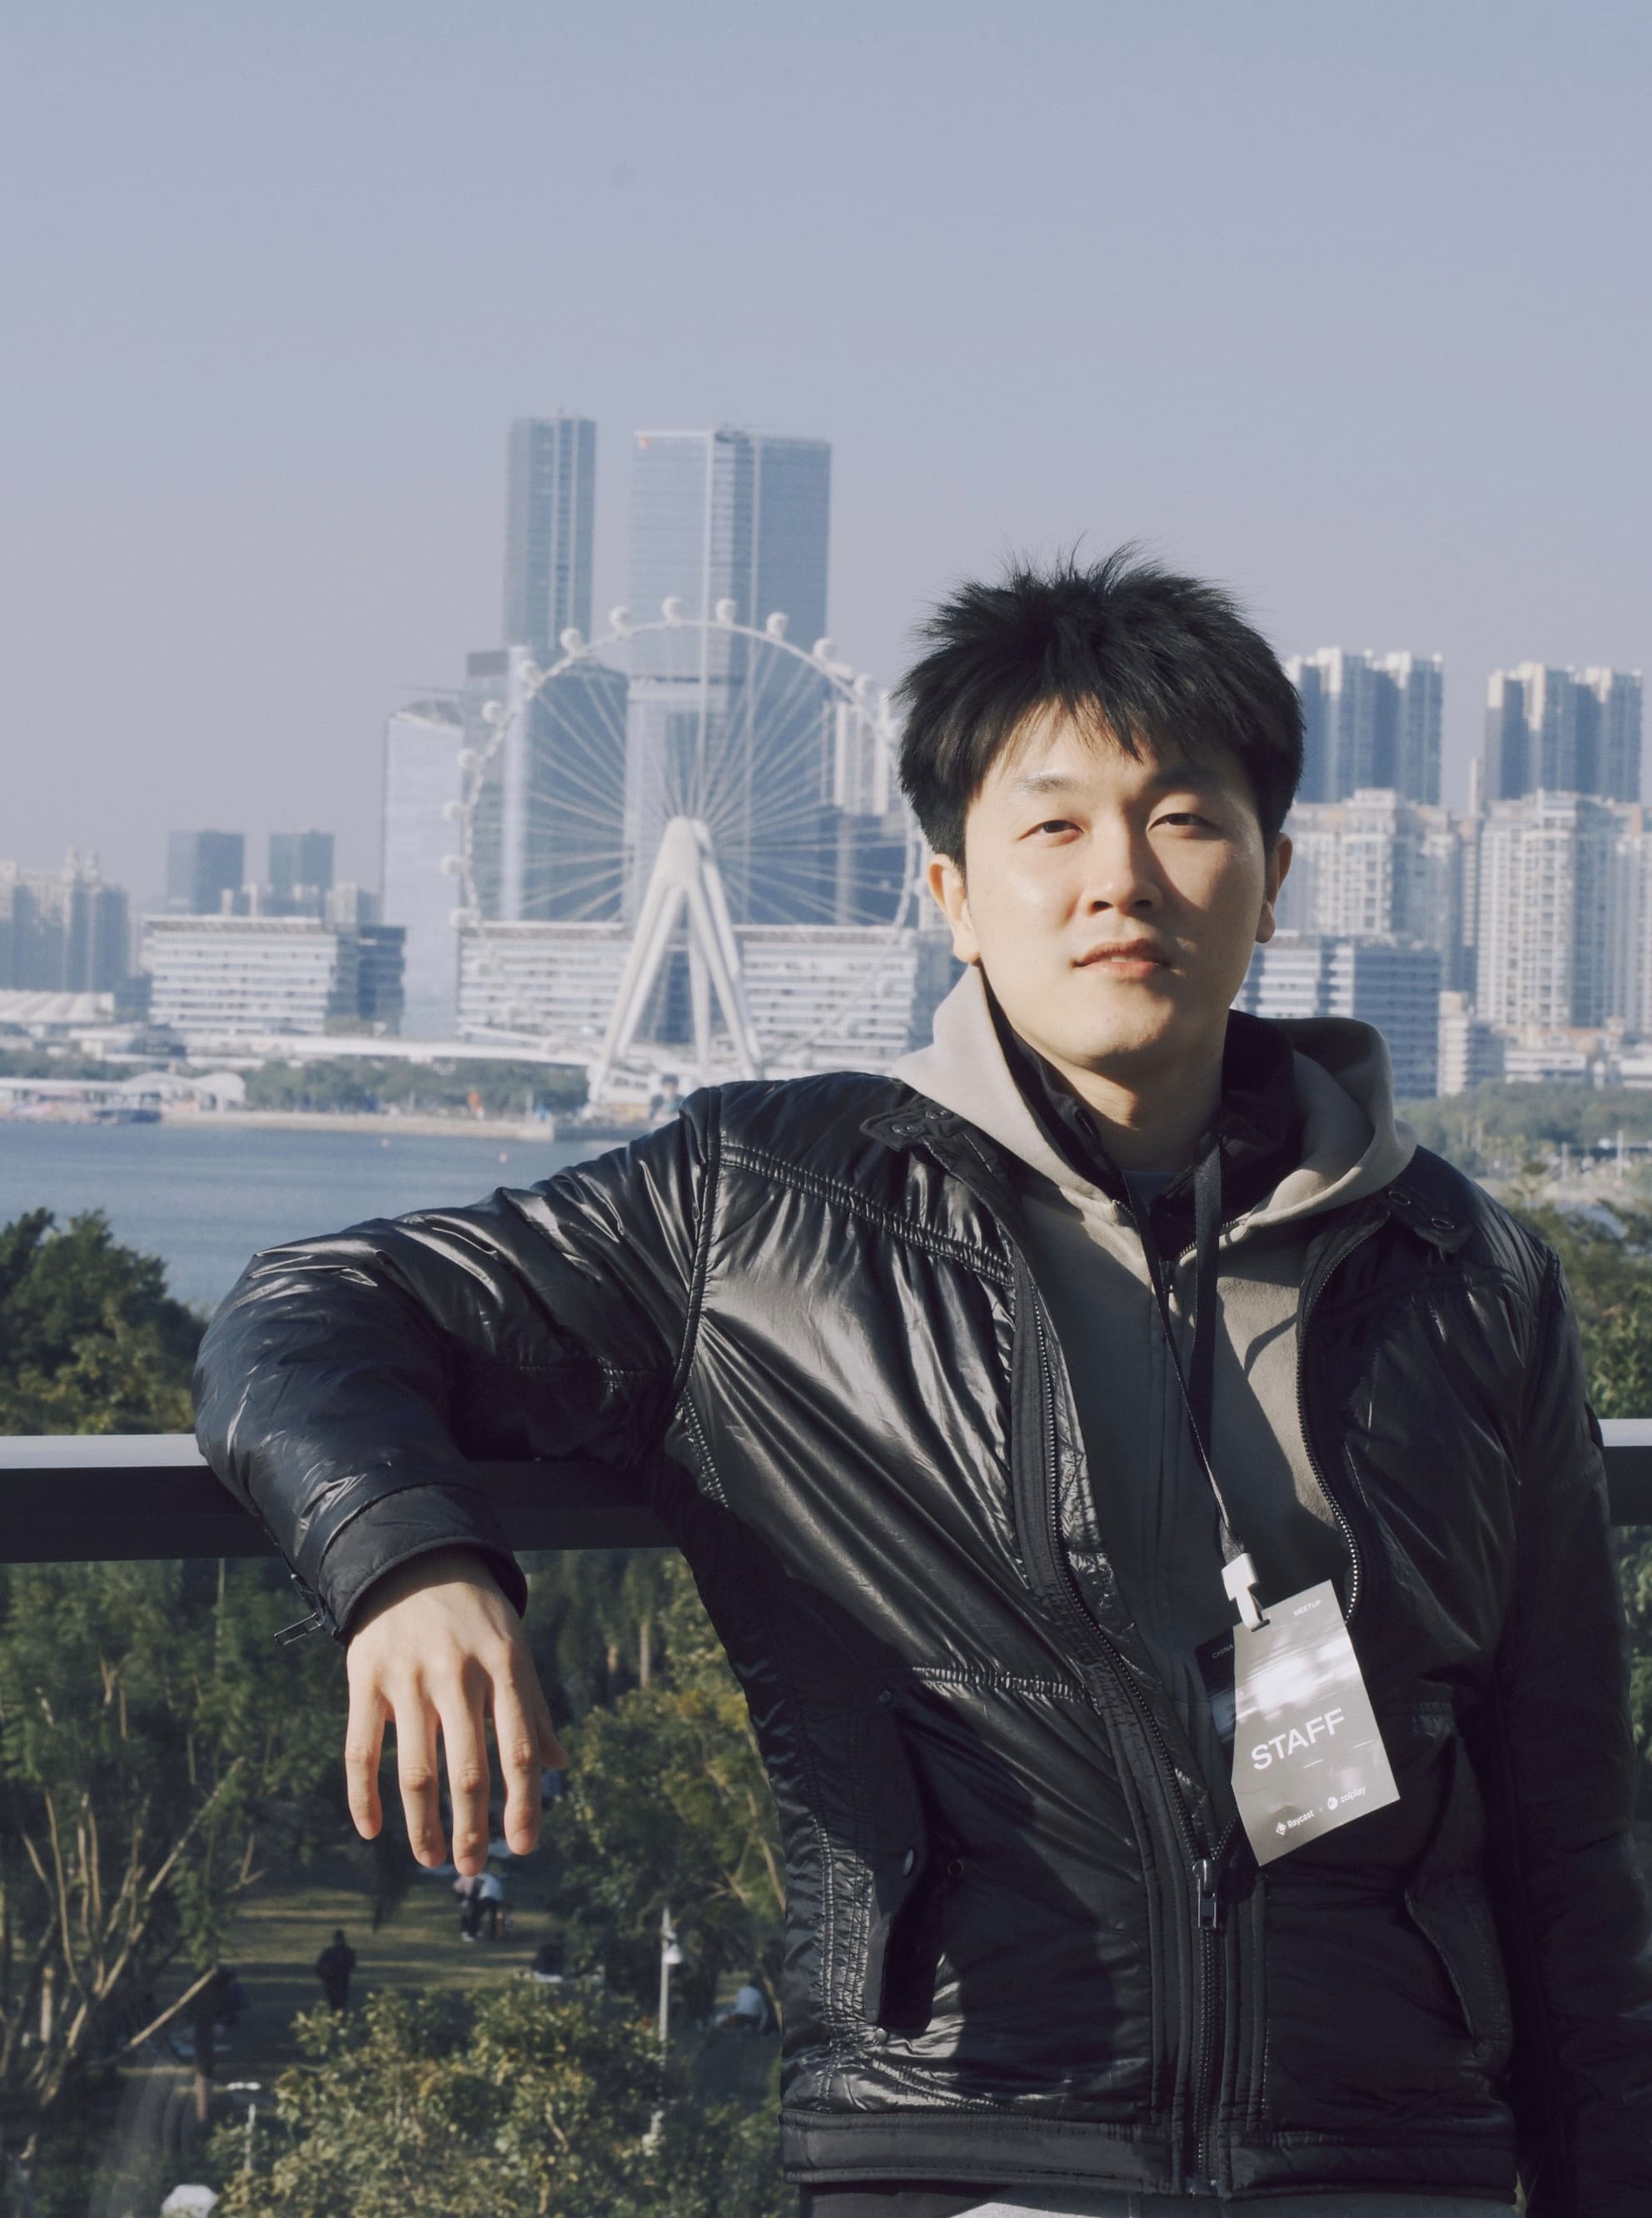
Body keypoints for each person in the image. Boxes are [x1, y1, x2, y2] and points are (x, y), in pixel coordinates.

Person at [197, 553, 1652, 2217]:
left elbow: (1565, 1829)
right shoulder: (756, 1217)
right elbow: (311, 1310)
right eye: (1051, 828)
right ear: (951, 893)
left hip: (1393, 2152)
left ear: (1273, 877)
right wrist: (406, 1553)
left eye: (1184, 818)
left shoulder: (1464, 1277)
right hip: (965, 2132)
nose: (1121, 878)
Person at [314, 1928, 356, 2011]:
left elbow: (318, 1968)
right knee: (338, 2005)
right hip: (337, 1983)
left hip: (337, 1983)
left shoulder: (330, 1952)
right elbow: (352, 1965)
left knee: (336, 2005)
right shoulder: (347, 1952)